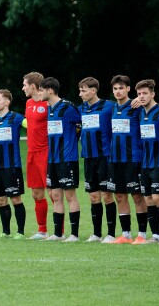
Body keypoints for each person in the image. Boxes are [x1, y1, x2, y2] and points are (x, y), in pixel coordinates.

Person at [38, 78, 82, 242]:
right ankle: (58, 233)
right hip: (53, 159)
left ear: (50, 90)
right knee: (55, 195)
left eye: (41, 90)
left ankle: (74, 234)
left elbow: (82, 124)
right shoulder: (49, 109)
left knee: (70, 196)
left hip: (67, 158)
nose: (39, 93)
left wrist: (73, 140)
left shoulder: (68, 108)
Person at [76, 77, 117, 243]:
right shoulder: (80, 109)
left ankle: (111, 233)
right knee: (93, 197)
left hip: (104, 157)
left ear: (93, 91)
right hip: (88, 157)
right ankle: (96, 233)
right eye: (80, 90)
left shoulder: (109, 107)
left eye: (83, 90)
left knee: (107, 196)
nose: (80, 94)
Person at [135, 79, 159, 244]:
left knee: (158, 198)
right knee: (149, 200)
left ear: (153, 94)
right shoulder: (140, 112)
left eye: (145, 93)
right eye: (139, 94)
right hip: (145, 163)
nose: (142, 97)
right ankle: (156, 235)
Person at [108, 75, 146, 244]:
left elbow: (152, 103)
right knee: (120, 196)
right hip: (115, 159)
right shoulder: (111, 108)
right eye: (115, 89)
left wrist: (140, 99)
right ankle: (126, 234)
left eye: (121, 88)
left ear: (128, 89)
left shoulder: (137, 106)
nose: (118, 91)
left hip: (133, 158)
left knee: (137, 196)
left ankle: (142, 234)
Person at [0, 89, 27, 239]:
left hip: (12, 165)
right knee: (0, 199)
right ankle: (5, 232)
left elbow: (32, 126)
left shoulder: (16, 118)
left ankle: (20, 232)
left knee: (15, 198)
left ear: (7, 102)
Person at [22, 72, 50, 239]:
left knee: (54, 193)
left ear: (33, 86)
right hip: (31, 153)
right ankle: (42, 230)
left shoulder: (48, 103)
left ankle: (58, 231)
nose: (23, 88)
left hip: (46, 152)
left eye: (25, 84)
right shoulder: (28, 103)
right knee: (36, 193)